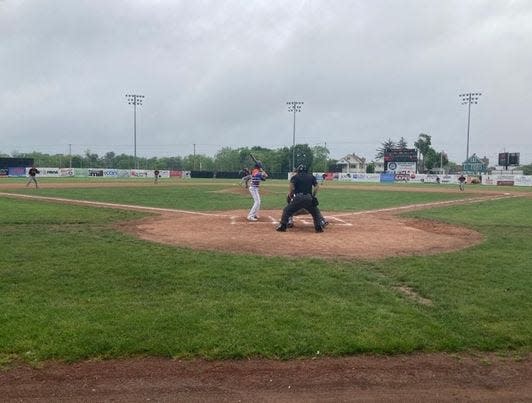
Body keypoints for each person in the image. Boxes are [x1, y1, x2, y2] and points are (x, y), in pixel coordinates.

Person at [276, 164, 324, 233]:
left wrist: (291, 195)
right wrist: (313, 196)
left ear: (298, 170)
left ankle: (282, 226)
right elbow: (316, 187)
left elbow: (292, 187)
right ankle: (318, 227)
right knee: (315, 212)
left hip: (298, 197)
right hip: (308, 198)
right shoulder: (311, 177)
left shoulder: (295, 177)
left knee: (286, 210)